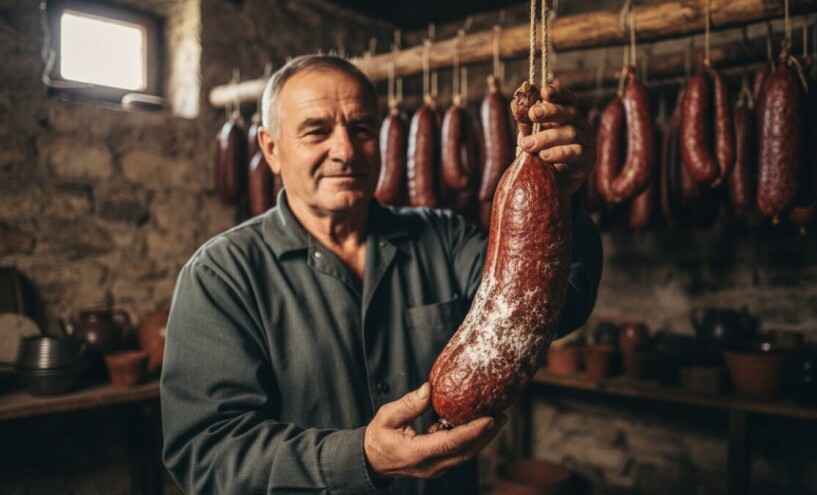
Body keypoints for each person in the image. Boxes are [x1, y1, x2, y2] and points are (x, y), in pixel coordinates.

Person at [161, 54, 603, 494]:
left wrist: (563, 197)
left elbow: (559, 305)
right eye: (317, 131)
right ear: (271, 149)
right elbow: (206, 453)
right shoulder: (220, 277)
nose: (346, 150)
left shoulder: (443, 237)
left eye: (362, 129)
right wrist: (361, 458)